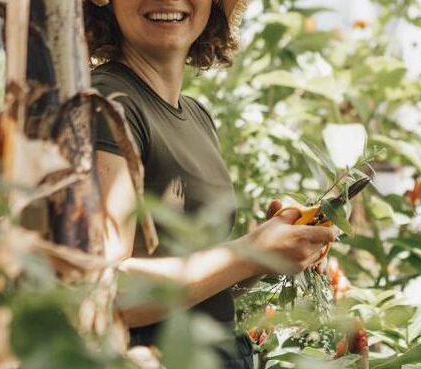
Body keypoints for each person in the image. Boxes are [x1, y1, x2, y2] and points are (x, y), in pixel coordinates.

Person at [83, 0, 340, 366]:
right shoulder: (109, 104)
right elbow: (102, 289)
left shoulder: (196, 114)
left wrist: (267, 248)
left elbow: (202, 290)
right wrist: (248, 251)